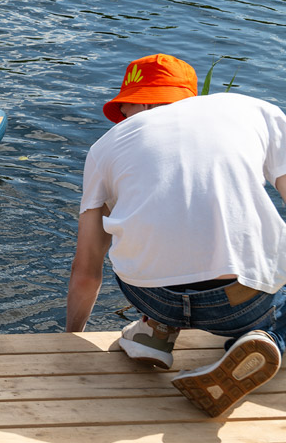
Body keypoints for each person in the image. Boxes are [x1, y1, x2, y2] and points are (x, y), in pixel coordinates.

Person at [66, 53, 286, 418]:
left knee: (158, 240)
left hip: (149, 295)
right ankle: (264, 338)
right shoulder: (252, 110)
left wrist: (69, 340)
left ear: (143, 101)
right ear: (188, 96)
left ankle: (157, 331)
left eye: (124, 109)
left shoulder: (103, 146)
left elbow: (86, 270)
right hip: (240, 302)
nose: (122, 119)